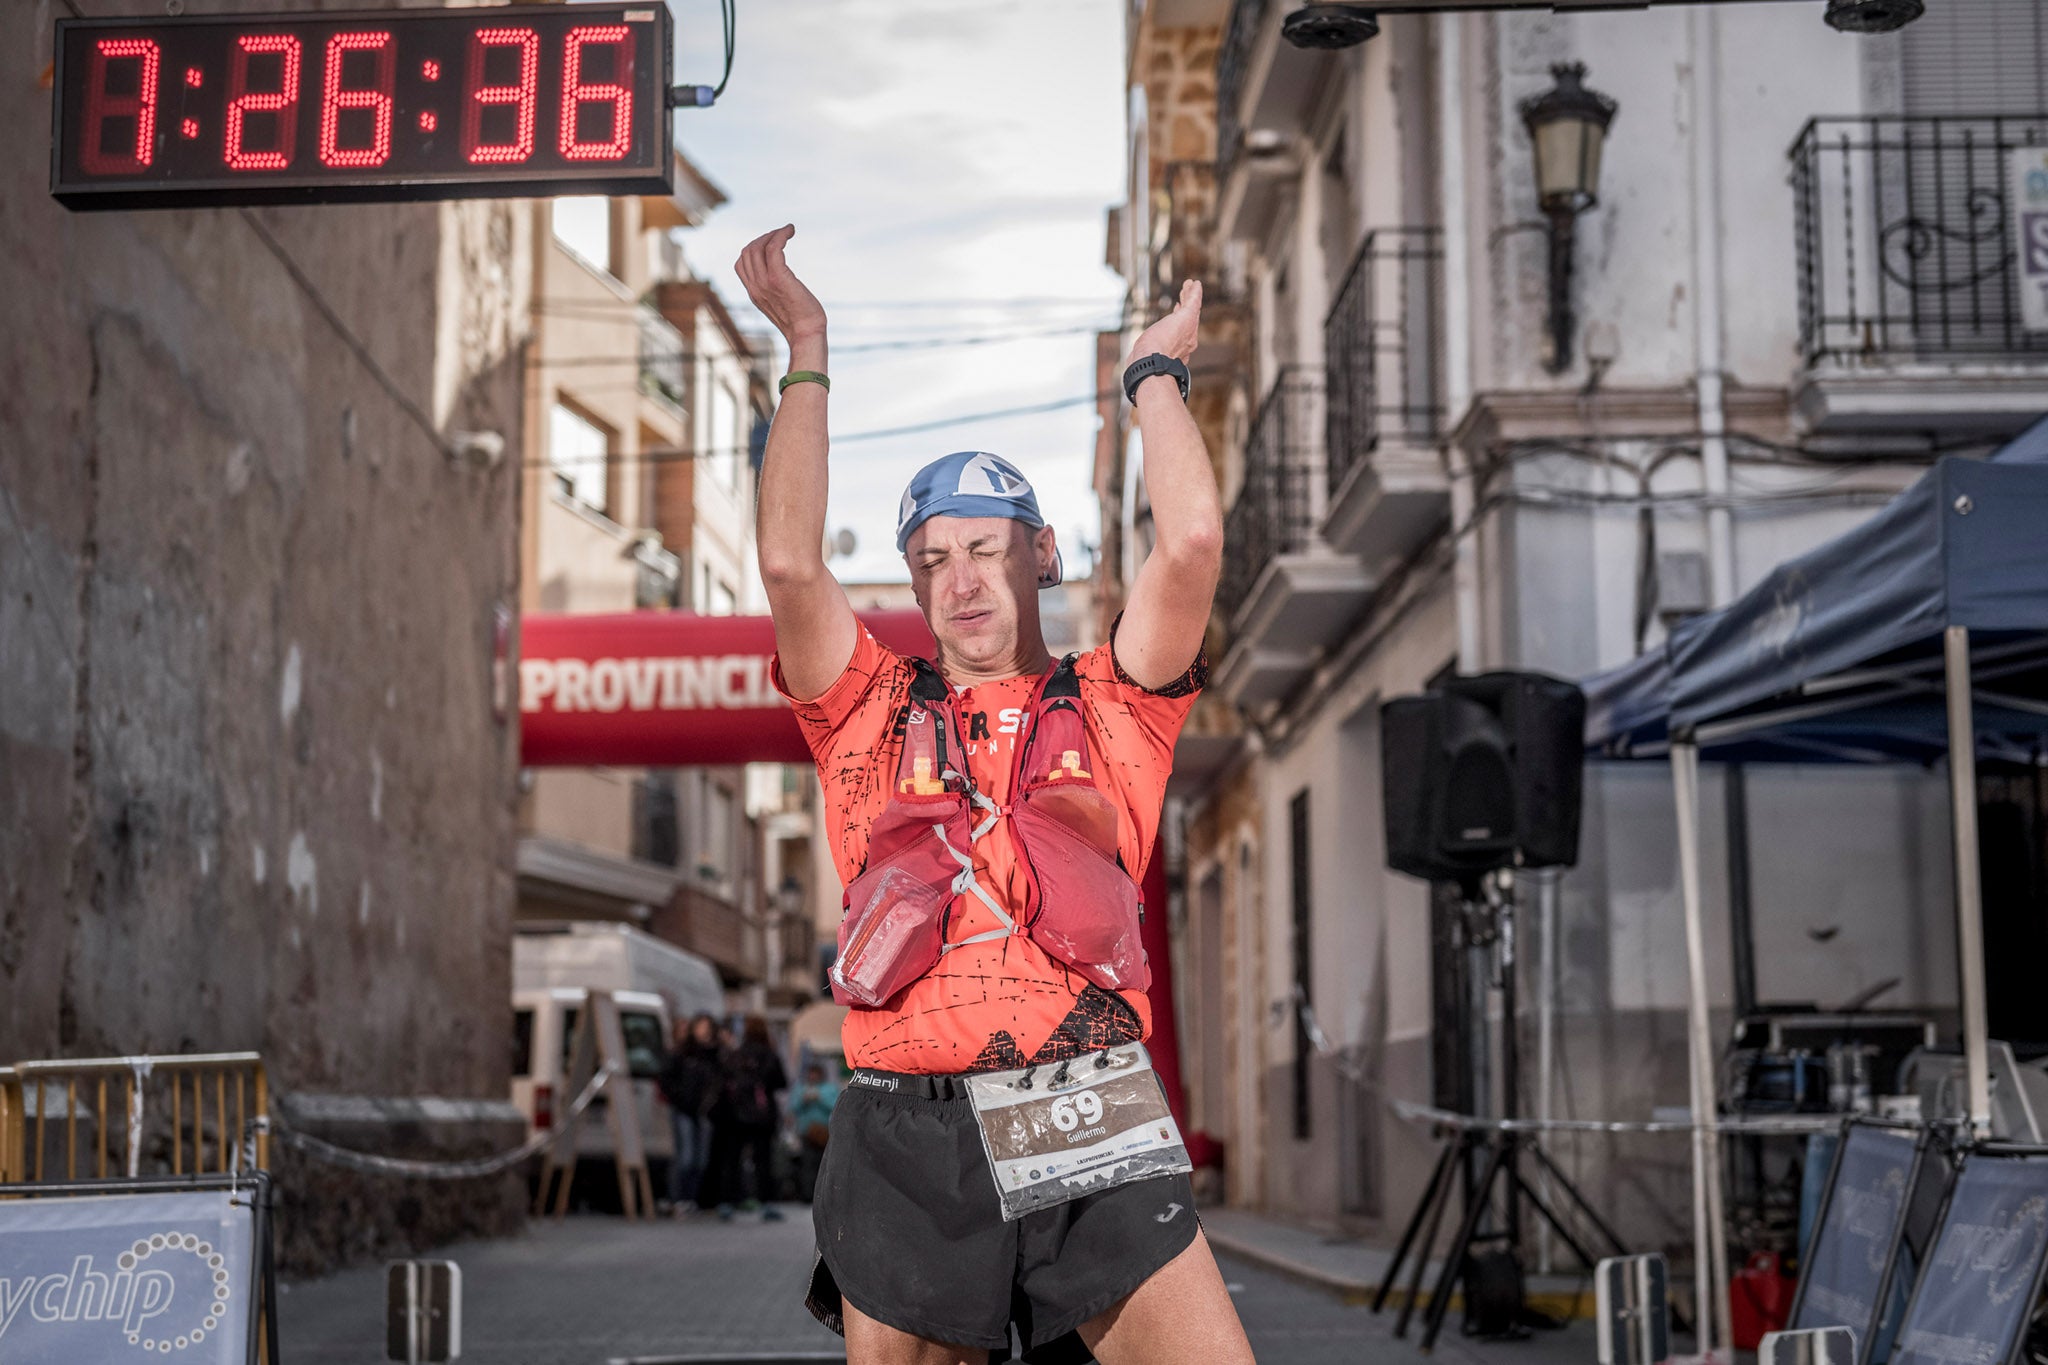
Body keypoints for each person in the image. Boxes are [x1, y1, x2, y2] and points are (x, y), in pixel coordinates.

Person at [737, 224, 1255, 1365]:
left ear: (1043, 555)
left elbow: (1193, 543)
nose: (961, 580)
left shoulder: (1115, 700)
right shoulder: (867, 708)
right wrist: (807, 350)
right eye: (933, 559)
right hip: (902, 1116)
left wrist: (1153, 380)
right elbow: (786, 567)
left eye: (986, 547)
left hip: (1077, 1094)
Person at [714, 1014, 789, 1221]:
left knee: (733, 1159)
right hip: (763, 1116)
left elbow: (725, 1081)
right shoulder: (770, 1055)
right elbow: (781, 1082)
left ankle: (727, 1202)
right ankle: (766, 1204)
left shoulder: (737, 1053)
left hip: (736, 1115)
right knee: (763, 1160)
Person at [657, 1012, 721, 1215]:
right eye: (701, 1027)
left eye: (708, 1028)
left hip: (703, 1111)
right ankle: (678, 1199)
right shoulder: (683, 1053)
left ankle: (691, 1199)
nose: (705, 1032)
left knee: (700, 1160)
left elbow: (719, 1080)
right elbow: (666, 1078)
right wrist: (679, 1098)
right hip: (684, 1109)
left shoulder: (713, 1054)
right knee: (685, 1157)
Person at [789, 1061, 840, 1203]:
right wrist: (803, 1100)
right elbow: (792, 1108)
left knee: (824, 1166)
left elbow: (836, 1107)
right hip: (806, 1133)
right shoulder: (800, 1089)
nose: (812, 1077)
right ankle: (807, 1195)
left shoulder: (830, 1089)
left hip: (824, 1134)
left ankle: (825, 1196)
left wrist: (820, 1098)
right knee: (807, 1166)